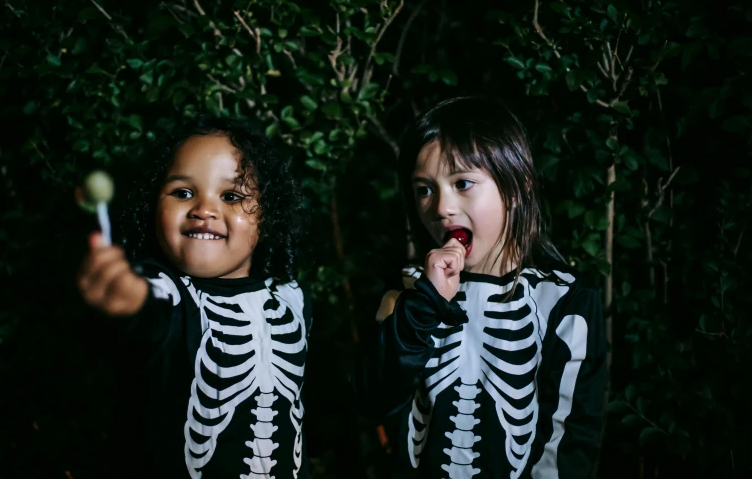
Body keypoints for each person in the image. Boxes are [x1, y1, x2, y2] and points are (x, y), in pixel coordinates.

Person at [354, 97, 607, 478]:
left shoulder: (566, 304)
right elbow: (372, 400)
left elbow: (570, 440)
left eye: (463, 183)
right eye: (424, 189)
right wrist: (422, 307)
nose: (441, 208)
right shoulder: (406, 294)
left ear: (518, 185)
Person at [77, 115, 311, 479]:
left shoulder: (290, 297)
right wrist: (129, 300)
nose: (204, 209)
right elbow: (146, 314)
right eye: (183, 193)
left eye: (232, 196)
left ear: (269, 216)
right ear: (153, 207)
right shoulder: (165, 291)